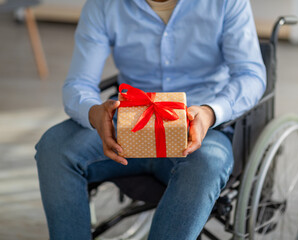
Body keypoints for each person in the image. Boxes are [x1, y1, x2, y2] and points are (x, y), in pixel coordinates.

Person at [35, 0, 266, 239]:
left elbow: (250, 75)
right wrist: (93, 112)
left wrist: (210, 112)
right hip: (128, 124)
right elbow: (79, 83)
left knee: (209, 162)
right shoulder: (103, 5)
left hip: (197, 125)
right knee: (54, 148)